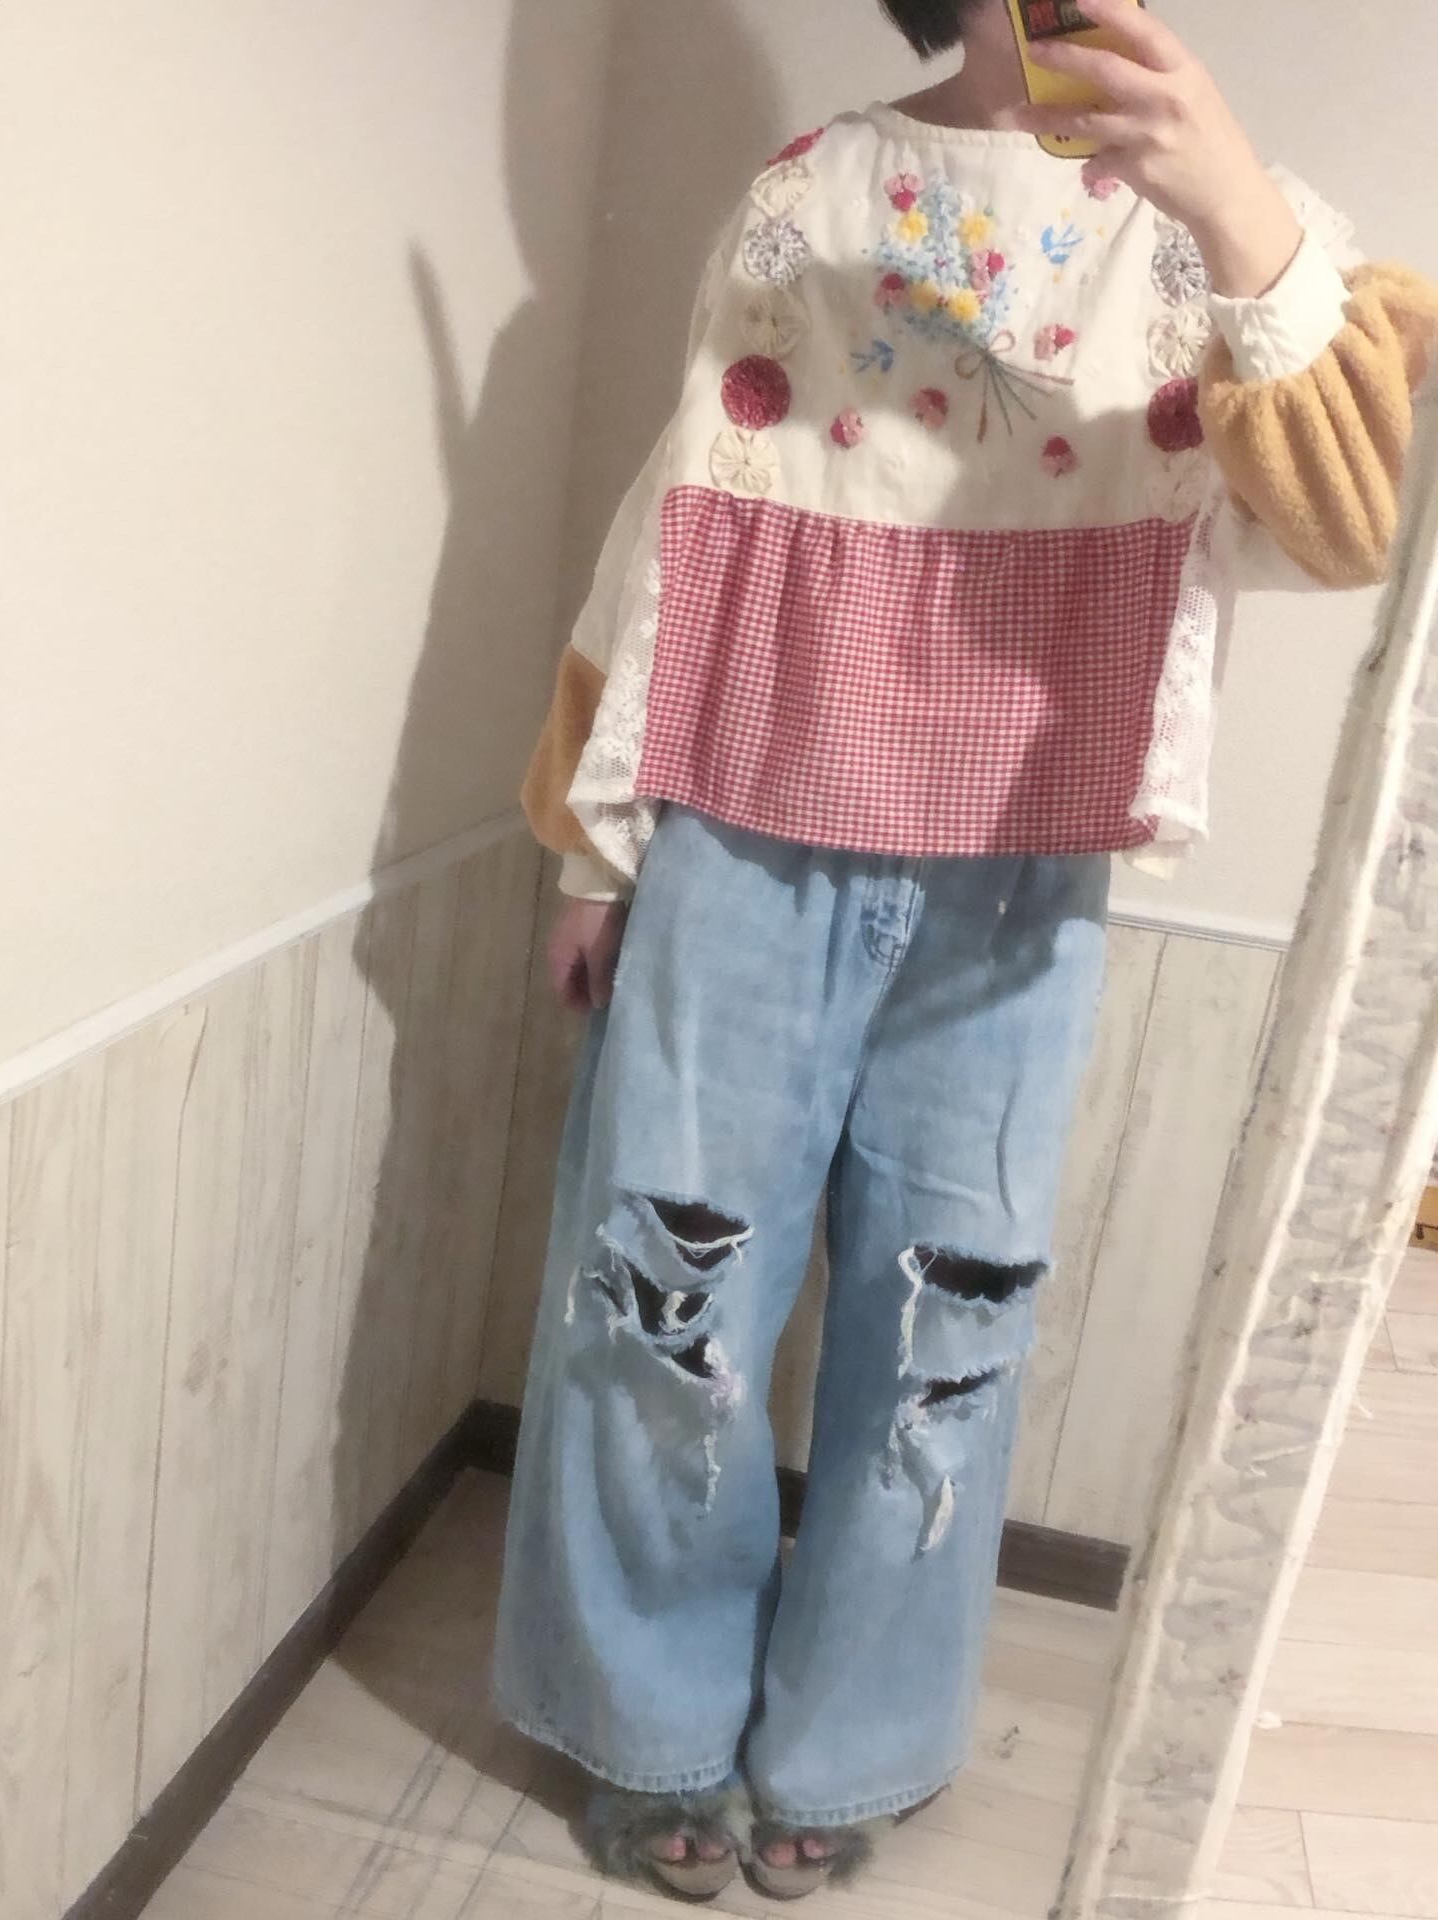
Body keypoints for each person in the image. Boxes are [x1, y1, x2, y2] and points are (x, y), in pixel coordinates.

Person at [494, 0, 1437, 1901]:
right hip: (742, 836)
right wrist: (591, 843)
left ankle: (848, 1741)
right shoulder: (812, 189)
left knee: (948, 1337)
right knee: (662, 1308)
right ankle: (648, 1719)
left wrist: (1236, 208)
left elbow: (1353, 527)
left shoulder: (1235, 227)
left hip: (1017, 876)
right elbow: (682, 522)